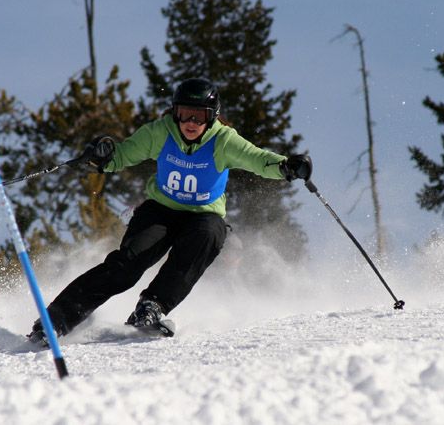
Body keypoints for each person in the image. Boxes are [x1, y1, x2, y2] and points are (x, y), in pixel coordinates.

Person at [29, 78, 311, 344]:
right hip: (160, 212)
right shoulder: (161, 132)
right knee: (125, 268)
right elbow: (124, 153)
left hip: (202, 216)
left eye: (198, 116)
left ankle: (152, 306)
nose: (190, 122)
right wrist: (104, 157)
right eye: (184, 113)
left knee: (211, 233)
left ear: (211, 116)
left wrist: (285, 166)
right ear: (175, 113)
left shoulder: (223, 141)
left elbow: (258, 159)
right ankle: (55, 320)